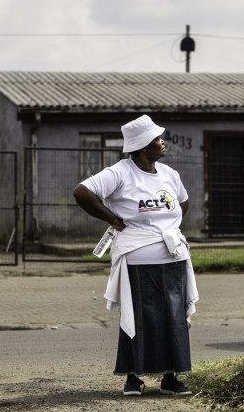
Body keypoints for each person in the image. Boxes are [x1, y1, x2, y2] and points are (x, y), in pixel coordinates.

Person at [72, 114, 198, 397]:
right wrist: (113, 218)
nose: (163, 142)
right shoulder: (120, 172)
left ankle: (171, 378)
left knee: (173, 318)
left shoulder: (169, 175)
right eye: (157, 139)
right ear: (142, 146)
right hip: (138, 263)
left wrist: (168, 229)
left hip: (173, 258)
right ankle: (132, 379)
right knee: (139, 318)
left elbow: (183, 203)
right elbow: (82, 192)